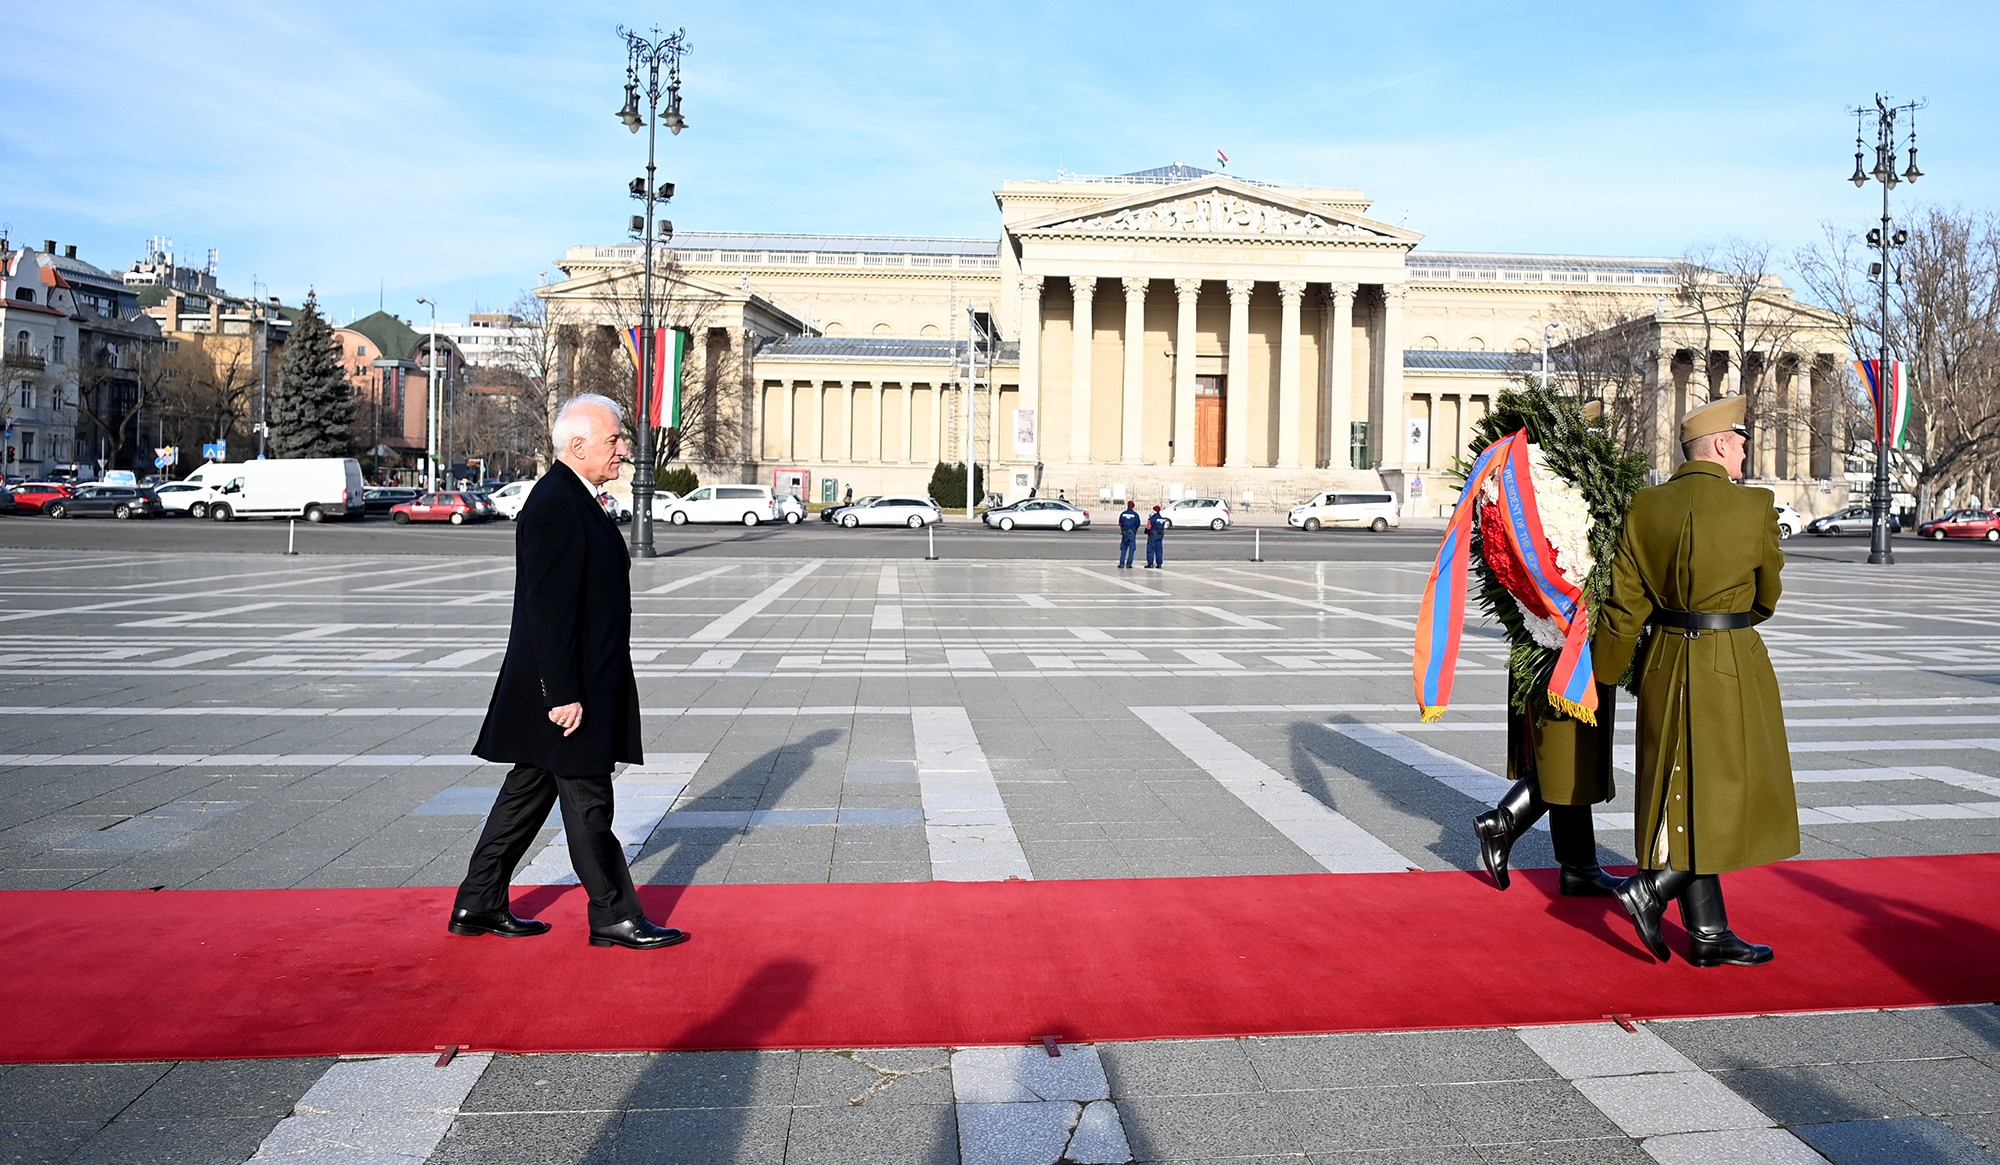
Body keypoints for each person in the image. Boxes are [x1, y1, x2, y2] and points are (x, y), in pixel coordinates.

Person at [449, 393, 690, 952]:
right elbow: (548, 608)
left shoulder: (575, 496)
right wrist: (561, 693)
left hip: (570, 682)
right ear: (577, 445)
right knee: (589, 803)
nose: (624, 449)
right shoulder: (557, 502)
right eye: (614, 440)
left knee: (526, 795)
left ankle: (478, 900)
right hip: (565, 690)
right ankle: (614, 913)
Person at [1595, 395, 1796, 967]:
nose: (1743, 453)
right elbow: (1767, 598)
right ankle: (1651, 890)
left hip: (1662, 661)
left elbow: (1623, 606)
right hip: (1726, 657)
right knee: (1733, 792)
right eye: (1739, 443)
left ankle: (1708, 933)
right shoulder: (1754, 507)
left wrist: (1603, 678)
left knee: (1678, 788)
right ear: (1719, 446)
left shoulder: (1644, 507)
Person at [1117, 501, 1141, 568]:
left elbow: (1120, 522)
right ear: (1133, 506)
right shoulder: (1135, 514)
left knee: (1124, 548)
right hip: (1132, 532)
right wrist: (1135, 529)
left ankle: (1122, 563)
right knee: (1132, 548)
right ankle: (1129, 564)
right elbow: (1138, 523)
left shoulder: (1123, 513)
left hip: (1125, 532)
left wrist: (1123, 528)